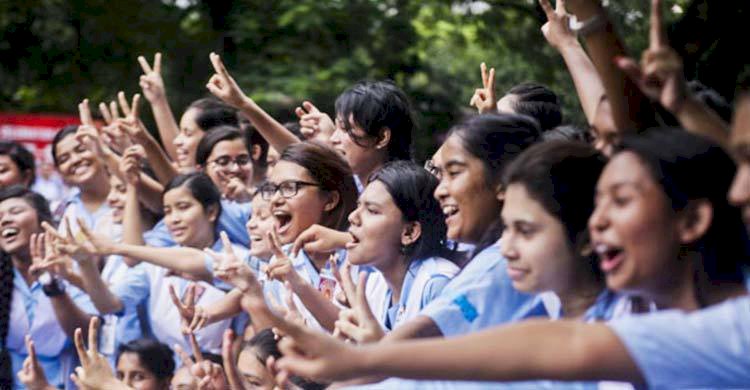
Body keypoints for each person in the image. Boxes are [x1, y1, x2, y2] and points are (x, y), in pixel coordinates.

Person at [269, 129, 750, 389]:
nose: (601, 222)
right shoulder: (573, 305)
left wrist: (368, 356)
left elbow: (563, 347)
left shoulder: (731, 332)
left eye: (620, 202)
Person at [56, 173, 237, 356]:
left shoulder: (236, 257)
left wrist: (116, 248)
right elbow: (109, 304)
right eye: (167, 211)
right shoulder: (155, 262)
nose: (174, 219)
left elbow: (197, 261)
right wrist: (85, 263)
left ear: (211, 212)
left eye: (183, 207)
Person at [335, 161, 459, 340]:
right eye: (358, 206)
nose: (353, 217)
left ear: (409, 232)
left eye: (371, 210)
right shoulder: (375, 283)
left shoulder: (438, 285)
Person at [0, 186, 96, 389]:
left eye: (15, 212)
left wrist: (52, 286)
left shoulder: (73, 268)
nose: (5, 220)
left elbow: (89, 333)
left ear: (44, 220)